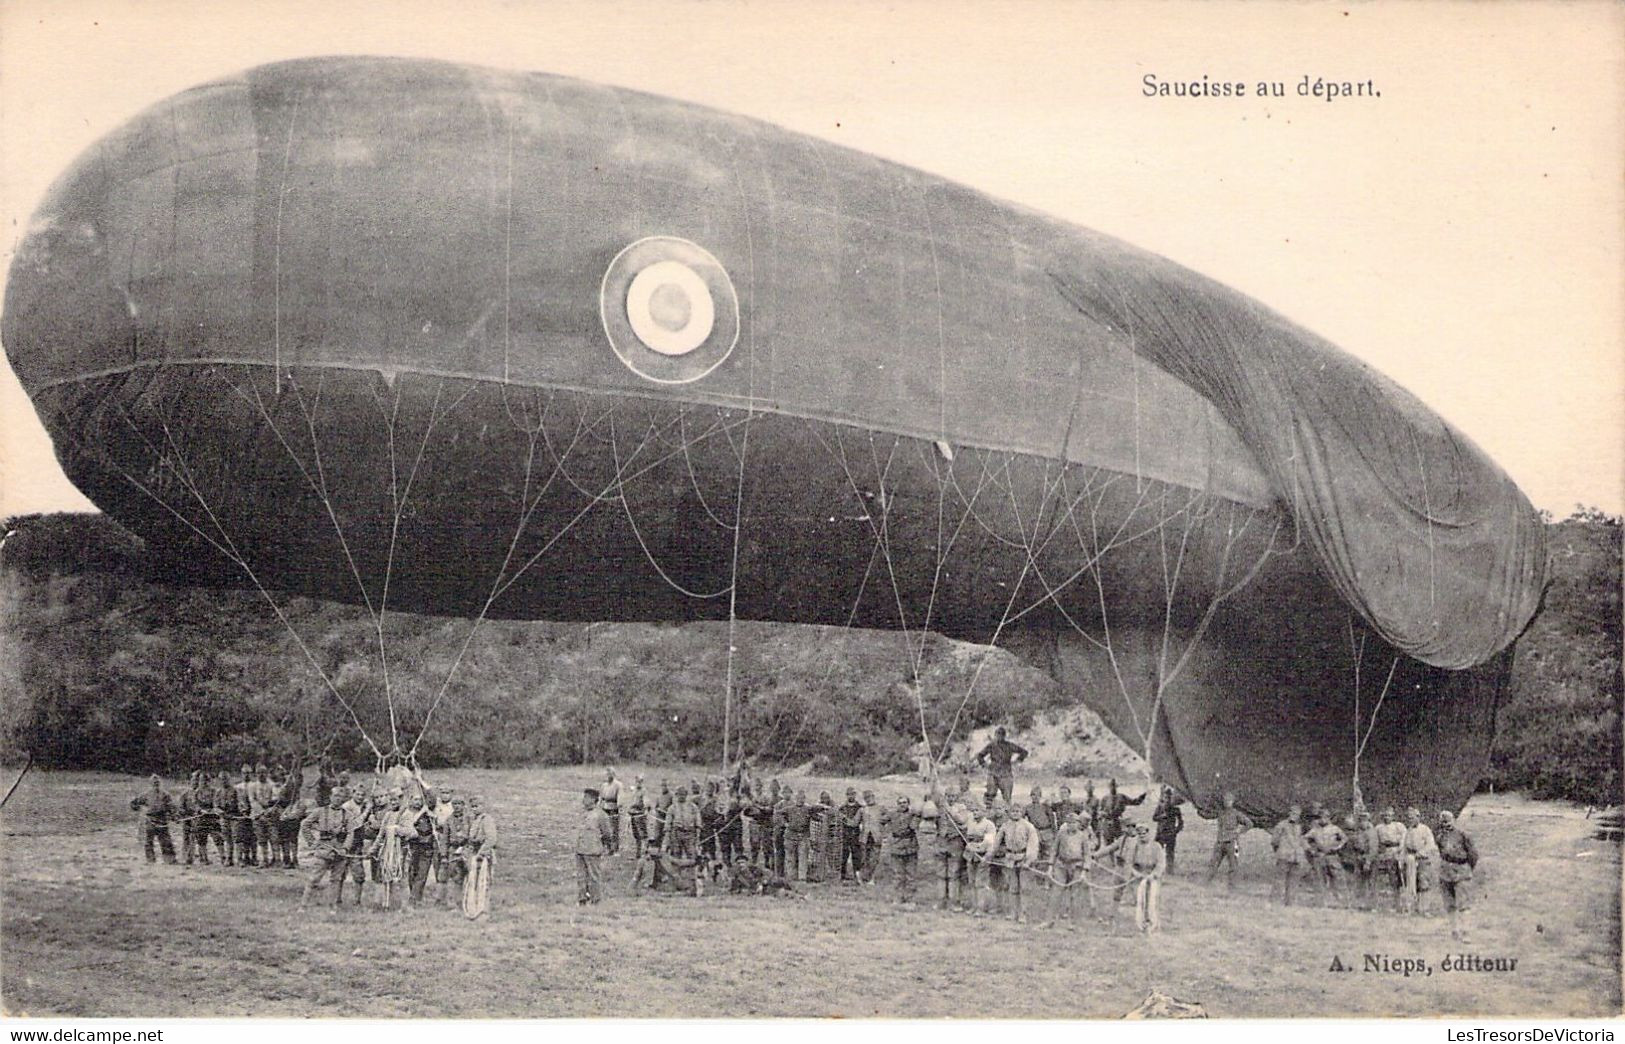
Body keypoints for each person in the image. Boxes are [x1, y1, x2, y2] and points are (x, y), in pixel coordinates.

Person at [300, 786, 358, 907]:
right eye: (335, 796)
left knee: (335, 880)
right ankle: (303, 905)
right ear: (330, 797)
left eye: (341, 797)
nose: (338, 799)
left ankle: (333, 906)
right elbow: (305, 824)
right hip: (323, 850)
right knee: (314, 879)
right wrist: (312, 841)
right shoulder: (320, 811)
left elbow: (350, 833)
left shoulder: (348, 815)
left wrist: (345, 848)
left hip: (339, 851)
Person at [1435, 810, 1479, 939]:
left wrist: (1466, 868)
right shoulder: (1440, 837)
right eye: (1443, 823)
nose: (1446, 825)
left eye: (1448, 822)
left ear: (1453, 821)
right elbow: (1441, 852)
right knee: (1449, 903)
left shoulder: (1463, 835)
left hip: (1461, 871)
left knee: (1463, 904)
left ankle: (1466, 932)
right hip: (1445, 872)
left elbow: (1473, 855)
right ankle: (1454, 930)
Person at [995, 802, 1040, 923]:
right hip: (1010, 858)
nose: (1015, 813)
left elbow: (1033, 845)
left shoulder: (1028, 826)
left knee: (1024, 888)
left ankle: (1023, 914)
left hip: (1023, 858)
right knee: (1012, 887)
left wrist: (1029, 860)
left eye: (1018, 811)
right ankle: (1012, 912)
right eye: (1013, 811)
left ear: (1021, 813)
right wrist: (990, 854)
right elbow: (997, 841)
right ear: (1009, 813)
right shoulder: (1005, 826)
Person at [1047, 811, 1091, 926]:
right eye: (1069, 823)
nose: (1071, 825)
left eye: (1074, 823)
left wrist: (1084, 872)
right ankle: (1049, 920)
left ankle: (1074, 922)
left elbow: (1087, 855)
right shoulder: (1061, 834)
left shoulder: (1083, 836)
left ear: (1078, 823)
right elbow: (1054, 850)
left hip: (1076, 866)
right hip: (1061, 865)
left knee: (1075, 895)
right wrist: (1050, 866)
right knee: (1056, 893)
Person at [1204, 791, 1253, 891]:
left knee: (1233, 865)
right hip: (1220, 841)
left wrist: (1239, 831)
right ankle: (1206, 883)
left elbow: (1249, 823)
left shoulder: (1236, 813)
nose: (1227, 802)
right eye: (1225, 800)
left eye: (1229, 801)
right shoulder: (1221, 813)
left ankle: (1232, 887)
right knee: (1214, 863)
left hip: (1232, 842)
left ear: (1232, 802)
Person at [575, 787, 614, 905]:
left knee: (594, 876)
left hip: (593, 850)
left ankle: (595, 899)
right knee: (581, 876)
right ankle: (582, 899)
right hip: (580, 849)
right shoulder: (583, 813)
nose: (583, 800)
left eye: (586, 797)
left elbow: (607, 833)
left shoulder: (601, 815)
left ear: (593, 799)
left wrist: (609, 846)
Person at [1128, 822, 1168, 933]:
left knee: (1152, 901)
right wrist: (1135, 873)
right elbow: (1129, 862)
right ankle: (1141, 924)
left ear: (1149, 833)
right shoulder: (1135, 847)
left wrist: (1154, 874)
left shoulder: (1156, 846)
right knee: (1140, 901)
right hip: (1139, 877)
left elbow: (1161, 863)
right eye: (1139, 834)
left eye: (1144, 834)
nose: (1142, 836)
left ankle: (1153, 925)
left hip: (1152, 877)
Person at [463, 794, 497, 918]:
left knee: (484, 883)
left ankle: (484, 911)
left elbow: (491, 839)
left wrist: (481, 853)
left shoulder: (487, 820)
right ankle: (474, 908)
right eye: (472, 807)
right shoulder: (474, 820)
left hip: (484, 856)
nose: (475, 809)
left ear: (483, 806)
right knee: (474, 882)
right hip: (474, 855)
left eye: (477, 806)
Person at [974, 726, 1028, 805]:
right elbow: (980, 755)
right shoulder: (991, 745)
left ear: (1004, 736)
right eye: (997, 734)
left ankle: (1007, 813)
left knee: (1007, 798)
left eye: (1001, 734)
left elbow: (1024, 752)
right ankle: (988, 812)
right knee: (990, 795)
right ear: (995, 735)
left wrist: (1017, 761)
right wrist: (984, 764)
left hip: (1006, 774)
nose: (999, 736)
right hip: (993, 773)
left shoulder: (1009, 745)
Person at [131, 775, 178, 864]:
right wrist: (140, 809)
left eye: (157, 783)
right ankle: (150, 860)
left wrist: (174, 816)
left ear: (160, 784)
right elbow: (133, 804)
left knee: (166, 841)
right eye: (154, 783)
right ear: (150, 784)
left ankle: (170, 860)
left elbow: (171, 807)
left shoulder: (165, 795)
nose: (156, 784)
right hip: (149, 820)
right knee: (148, 842)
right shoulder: (145, 795)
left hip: (162, 820)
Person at [1305, 810, 1348, 907]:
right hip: (1319, 856)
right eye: (1321, 817)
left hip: (1332, 856)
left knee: (1338, 878)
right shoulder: (1315, 830)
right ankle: (1320, 902)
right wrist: (1310, 850)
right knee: (1319, 879)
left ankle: (1342, 902)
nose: (1323, 819)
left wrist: (1337, 847)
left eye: (1325, 817)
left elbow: (1345, 839)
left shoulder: (1335, 829)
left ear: (1329, 818)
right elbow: (1304, 839)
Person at [1401, 807, 1438, 916]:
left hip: (1422, 859)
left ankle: (1425, 909)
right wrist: (1403, 858)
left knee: (1424, 883)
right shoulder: (1407, 831)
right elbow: (1403, 846)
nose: (1410, 820)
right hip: (1410, 860)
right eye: (1408, 818)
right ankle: (1411, 907)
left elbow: (1430, 845)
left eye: (1412, 818)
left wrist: (1420, 853)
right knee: (1411, 883)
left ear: (1418, 817)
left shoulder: (1425, 829)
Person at [885, 795, 922, 905]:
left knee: (911, 875)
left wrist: (916, 815)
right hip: (896, 846)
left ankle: (910, 899)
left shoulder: (913, 815)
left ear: (908, 804)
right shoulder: (892, 814)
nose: (902, 805)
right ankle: (898, 897)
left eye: (905, 802)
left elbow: (914, 826)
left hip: (910, 846)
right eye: (900, 803)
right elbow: (880, 820)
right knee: (897, 875)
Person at [402, 795, 439, 905]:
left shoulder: (427, 813)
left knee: (422, 874)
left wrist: (431, 816)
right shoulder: (407, 813)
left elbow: (436, 822)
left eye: (420, 800)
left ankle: (414, 899)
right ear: (411, 800)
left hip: (426, 846)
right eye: (415, 800)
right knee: (412, 873)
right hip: (413, 847)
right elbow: (410, 824)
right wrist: (422, 812)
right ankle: (415, 897)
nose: (418, 802)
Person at [437, 795, 471, 907]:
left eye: (459, 804)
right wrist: (444, 855)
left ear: (463, 806)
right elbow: (444, 839)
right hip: (453, 850)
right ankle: (455, 901)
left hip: (466, 849)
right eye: (455, 804)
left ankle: (469, 900)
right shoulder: (449, 820)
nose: (457, 807)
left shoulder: (469, 819)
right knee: (455, 875)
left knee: (469, 875)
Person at [1270, 806, 1308, 906]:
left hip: (1296, 858)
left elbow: (1302, 841)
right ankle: (1275, 902)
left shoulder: (1299, 827)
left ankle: (1290, 903)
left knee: (1293, 881)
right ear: (1289, 813)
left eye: (1297, 814)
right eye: (1293, 813)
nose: (1294, 816)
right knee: (1279, 880)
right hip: (1284, 856)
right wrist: (1279, 851)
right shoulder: (1281, 825)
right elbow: (1274, 841)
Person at [1373, 806, 1407, 911]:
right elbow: (1375, 841)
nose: (1387, 817)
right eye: (1385, 815)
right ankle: (1379, 905)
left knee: (1395, 880)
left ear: (1393, 816)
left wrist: (1399, 851)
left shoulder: (1398, 826)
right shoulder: (1378, 827)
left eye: (1389, 815)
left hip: (1395, 852)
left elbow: (1404, 839)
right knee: (1381, 879)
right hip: (1383, 853)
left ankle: (1397, 905)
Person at [1098, 779, 1147, 845]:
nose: (1113, 788)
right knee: (1108, 845)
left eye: (1115, 786)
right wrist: (1102, 814)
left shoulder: (1122, 797)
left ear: (1117, 787)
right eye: (1111, 786)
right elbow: (1100, 811)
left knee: (1121, 843)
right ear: (1109, 787)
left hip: (1118, 823)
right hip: (1108, 824)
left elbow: (1135, 802)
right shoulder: (1105, 798)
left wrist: (1143, 796)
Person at [1152, 789, 1185, 872]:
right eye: (1166, 797)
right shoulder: (1160, 807)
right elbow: (1154, 818)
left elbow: (1181, 822)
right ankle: (1155, 868)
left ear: (1172, 798)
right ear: (1163, 798)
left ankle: (1169, 870)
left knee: (1170, 853)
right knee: (1156, 850)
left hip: (1170, 834)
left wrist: (1176, 830)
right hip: (1160, 833)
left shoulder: (1176, 809)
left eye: (1169, 798)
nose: (1167, 800)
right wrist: (1162, 816)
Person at [783, 790, 814, 882]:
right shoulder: (789, 809)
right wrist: (785, 824)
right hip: (790, 835)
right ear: (795, 799)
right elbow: (779, 815)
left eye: (802, 798)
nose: (801, 800)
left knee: (803, 856)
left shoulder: (808, 809)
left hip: (803, 835)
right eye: (799, 798)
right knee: (790, 856)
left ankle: (802, 877)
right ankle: (790, 876)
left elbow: (817, 813)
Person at [666, 787, 701, 863]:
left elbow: (698, 820)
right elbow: (668, 822)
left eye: (683, 794)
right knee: (676, 854)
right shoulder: (672, 808)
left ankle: (690, 872)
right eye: (679, 794)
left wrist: (698, 831)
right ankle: (676, 872)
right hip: (676, 833)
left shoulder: (693, 807)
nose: (681, 796)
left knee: (691, 853)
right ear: (676, 795)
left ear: (686, 795)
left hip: (690, 834)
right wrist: (668, 835)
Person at [837, 788, 865, 882]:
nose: (850, 796)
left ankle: (857, 875)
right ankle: (842, 875)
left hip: (856, 834)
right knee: (843, 855)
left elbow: (861, 822)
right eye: (849, 794)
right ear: (846, 795)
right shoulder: (842, 808)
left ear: (855, 795)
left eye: (852, 794)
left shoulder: (860, 807)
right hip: (844, 834)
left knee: (856, 855)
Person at [859, 789, 885, 885]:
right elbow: (855, 822)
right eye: (866, 798)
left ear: (873, 797)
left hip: (876, 837)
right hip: (865, 837)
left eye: (870, 797)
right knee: (864, 858)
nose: (868, 799)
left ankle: (872, 878)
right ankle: (864, 878)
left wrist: (882, 824)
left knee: (874, 858)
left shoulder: (880, 808)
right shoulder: (862, 809)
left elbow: (888, 817)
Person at [600, 768, 623, 856]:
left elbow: (620, 796)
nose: (608, 776)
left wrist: (619, 806)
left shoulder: (618, 785)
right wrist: (599, 806)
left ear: (614, 774)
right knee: (604, 828)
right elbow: (601, 797)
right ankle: (607, 847)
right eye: (607, 774)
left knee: (614, 829)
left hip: (614, 808)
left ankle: (615, 849)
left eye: (610, 774)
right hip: (605, 808)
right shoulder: (604, 785)